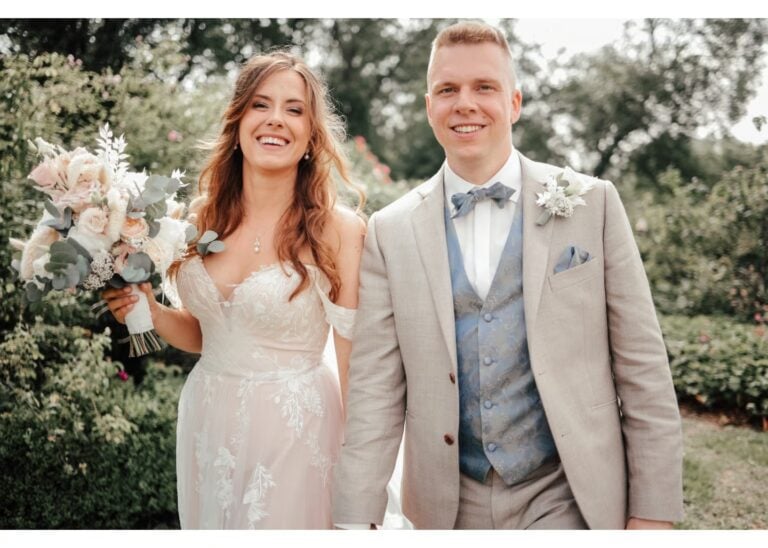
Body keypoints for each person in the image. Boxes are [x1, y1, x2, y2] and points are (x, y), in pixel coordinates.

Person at [332, 21, 683, 530]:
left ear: (514, 103)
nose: (465, 103)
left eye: (485, 87)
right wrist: (352, 522)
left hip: (567, 492)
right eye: (448, 89)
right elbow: (375, 392)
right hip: (446, 506)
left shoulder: (592, 203)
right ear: (429, 105)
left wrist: (652, 517)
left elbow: (644, 369)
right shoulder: (390, 231)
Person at [103, 51, 365, 529]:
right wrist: (150, 310)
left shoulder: (338, 231)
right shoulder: (199, 221)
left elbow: (356, 365)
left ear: (311, 135)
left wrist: (362, 482)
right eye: (261, 104)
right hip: (210, 419)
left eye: (294, 109)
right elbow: (212, 335)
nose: (275, 120)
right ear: (239, 119)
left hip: (297, 431)